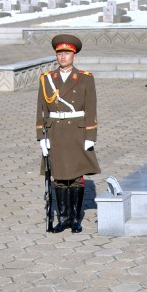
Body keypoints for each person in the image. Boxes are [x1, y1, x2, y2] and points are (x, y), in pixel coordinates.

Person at [36, 34, 100, 233]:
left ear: (74, 55)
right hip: (55, 132)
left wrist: (90, 137)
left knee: (75, 177)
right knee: (59, 177)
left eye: (67, 53)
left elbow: (91, 108)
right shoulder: (47, 79)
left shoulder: (85, 79)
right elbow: (41, 109)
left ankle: (75, 219)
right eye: (59, 53)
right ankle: (62, 219)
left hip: (76, 132)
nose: (63, 57)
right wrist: (41, 137)